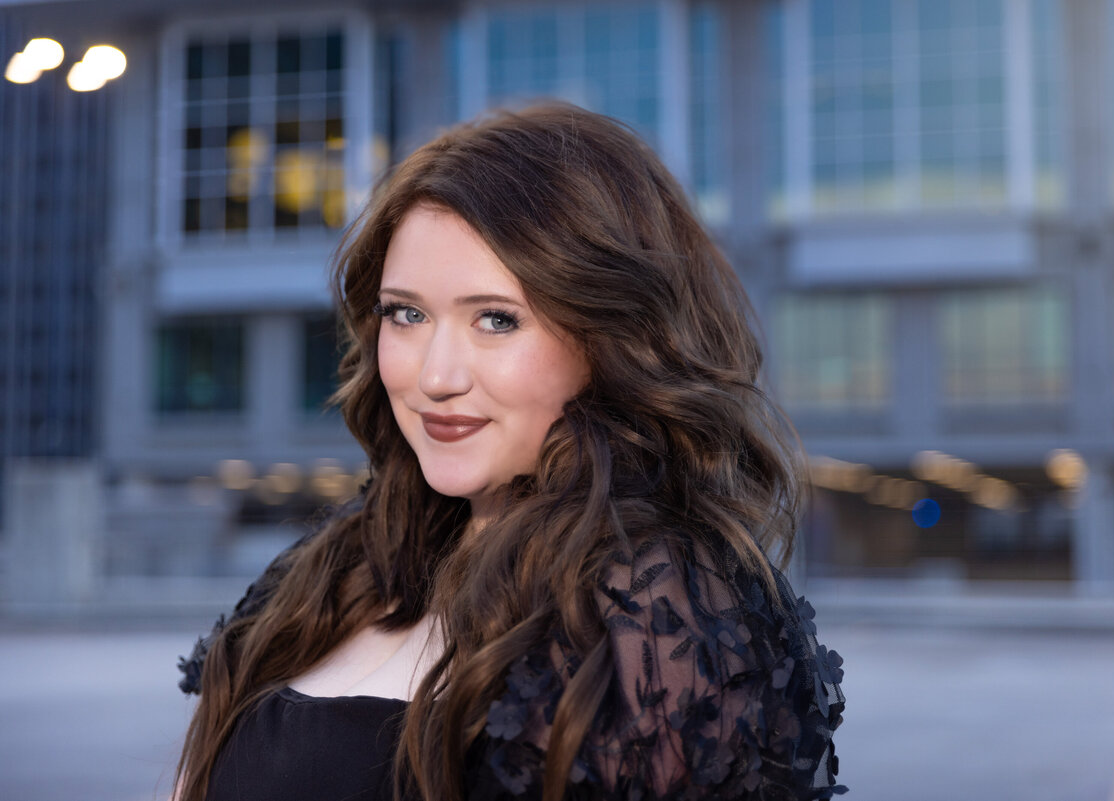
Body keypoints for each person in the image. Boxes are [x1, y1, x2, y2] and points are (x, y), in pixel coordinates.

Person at [174, 103, 845, 801]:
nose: (435, 376)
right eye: (407, 313)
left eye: (496, 319)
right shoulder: (339, 564)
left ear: (611, 334)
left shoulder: (661, 611)